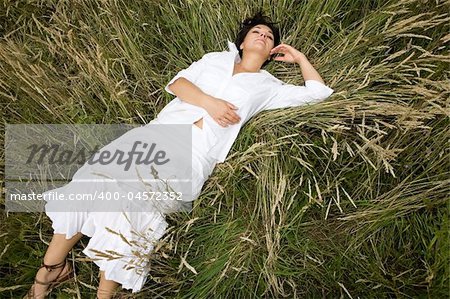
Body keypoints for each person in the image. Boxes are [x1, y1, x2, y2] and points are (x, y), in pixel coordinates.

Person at [24, 11, 333, 299]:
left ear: (272, 52)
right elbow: (178, 83)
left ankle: (101, 293)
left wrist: (300, 58)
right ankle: (51, 269)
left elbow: (318, 93)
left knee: (135, 208)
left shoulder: (269, 86)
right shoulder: (215, 60)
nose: (263, 36)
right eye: (257, 31)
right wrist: (209, 103)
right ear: (242, 41)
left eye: (269, 36)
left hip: (194, 155)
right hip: (158, 134)